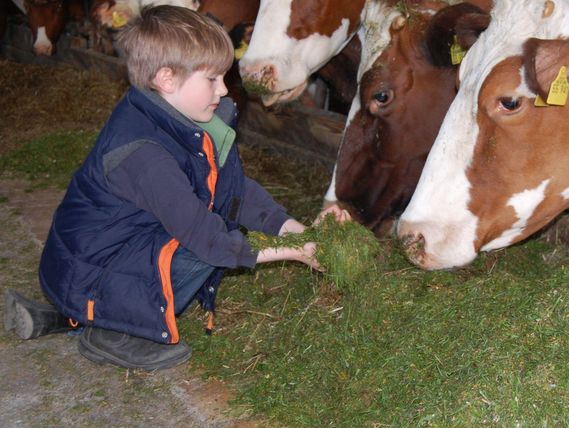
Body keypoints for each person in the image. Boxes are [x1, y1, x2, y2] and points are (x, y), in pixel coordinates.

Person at [4, 5, 349, 370]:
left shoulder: (180, 118)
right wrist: (295, 251)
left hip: (99, 262)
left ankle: (74, 317)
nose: (224, 89)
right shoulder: (143, 155)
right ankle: (112, 333)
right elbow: (209, 241)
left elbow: (235, 190)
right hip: (87, 273)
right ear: (167, 79)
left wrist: (296, 231)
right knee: (200, 243)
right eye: (212, 79)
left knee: (207, 219)